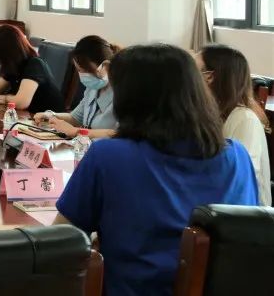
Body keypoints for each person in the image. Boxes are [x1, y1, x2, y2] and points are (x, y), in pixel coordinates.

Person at [55, 44, 258, 296]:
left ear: (131, 98)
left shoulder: (108, 156)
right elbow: (245, 239)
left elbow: (61, 243)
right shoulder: (237, 156)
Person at [200, 43, 271, 206]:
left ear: (210, 77)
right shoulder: (212, 113)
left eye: (195, 72)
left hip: (243, 214)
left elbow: (239, 181)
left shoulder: (245, 119)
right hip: (217, 203)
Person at [34, 35, 119, 138]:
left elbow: (120, 134)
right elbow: (76, 118)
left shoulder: (123, 93)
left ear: (106, 66)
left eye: (86, 70)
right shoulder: (92, 88)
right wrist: (51, 116)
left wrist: (76, 132)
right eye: (79, 70)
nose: (83, 75)